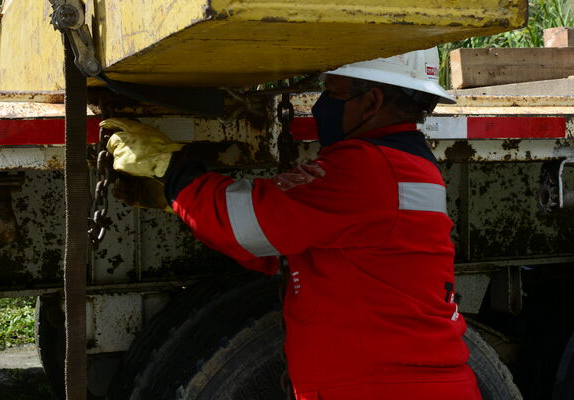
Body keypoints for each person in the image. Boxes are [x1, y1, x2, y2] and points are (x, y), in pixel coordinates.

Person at [103, 47, 482, 400]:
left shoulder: (367, 169)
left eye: (332, 93)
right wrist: (186, 201)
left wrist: (173, 171)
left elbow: (255, 224)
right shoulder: (403, 165)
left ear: (372, 102)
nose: (320, 106)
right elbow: (288, 247)